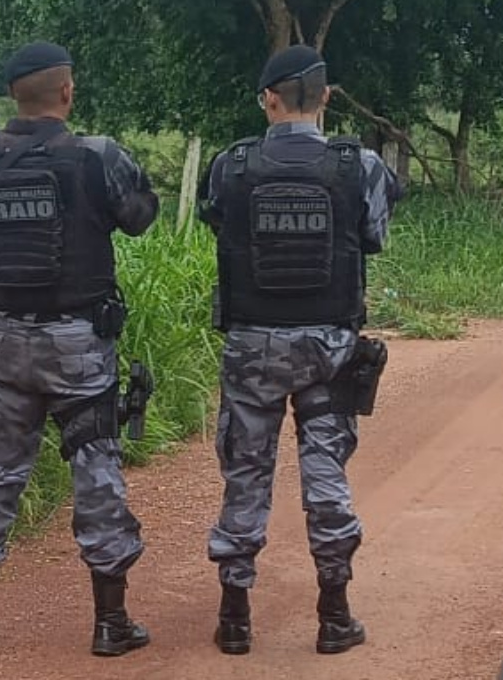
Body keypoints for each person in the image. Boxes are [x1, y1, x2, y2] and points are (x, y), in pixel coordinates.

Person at [0, 41, 160, 657]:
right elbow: (141, 215)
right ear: (66, 92)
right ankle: (110, 623)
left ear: (13, 94)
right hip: (77, 342)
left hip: (4, 337)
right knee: (95, 471)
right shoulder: (96, 156)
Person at [196, 44, 402, 656]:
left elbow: (221, 228)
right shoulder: (358, 166)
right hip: (330, 345)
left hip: (252, 345)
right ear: (326, 99)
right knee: (325, 475)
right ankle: (334, 615)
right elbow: (374, 235)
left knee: (246, 477)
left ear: (269, 99)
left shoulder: (228, 166)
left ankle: (235, 617)